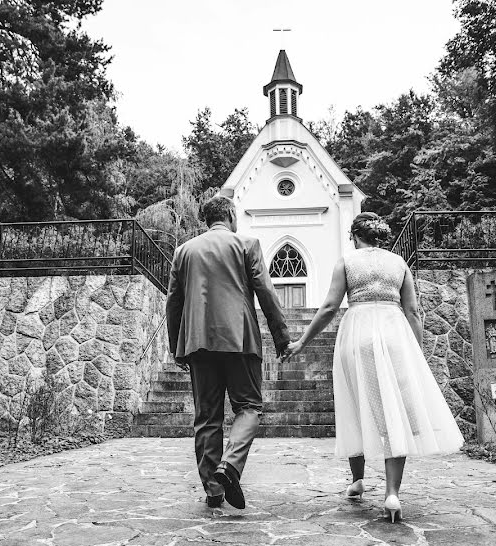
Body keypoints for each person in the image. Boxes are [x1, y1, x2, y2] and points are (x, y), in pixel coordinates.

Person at [281, 212, 464, 522]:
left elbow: (328, 308)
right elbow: (414, 312)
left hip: (358, 335)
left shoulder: (347, 262)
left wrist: (301, 342)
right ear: (380, 236)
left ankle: (358, 480)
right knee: (393, 412)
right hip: (394, 335)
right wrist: (416, 353)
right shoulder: (399, 264)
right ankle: (392, 494)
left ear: (355, 236)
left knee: (355, 404)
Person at [166, 195, 290, 509]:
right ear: (231, 215)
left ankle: (213, 490)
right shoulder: (247, 245)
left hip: (198, 342)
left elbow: (174, 303)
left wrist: (176, 348)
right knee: (248, 406)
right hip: (240, 339)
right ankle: (231, 466)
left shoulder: (184, 251)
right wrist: (282, 337)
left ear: (205, 220)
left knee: (206, 417)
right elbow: (266, 292)